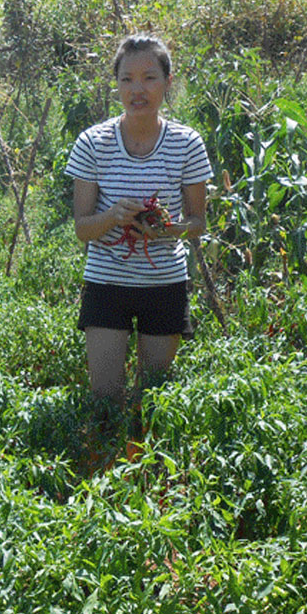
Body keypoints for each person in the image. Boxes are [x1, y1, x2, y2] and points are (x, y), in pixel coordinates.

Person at [66, 33, 212, 456]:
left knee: (153, 399)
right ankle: (103, 472)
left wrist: (164, 230)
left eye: (149, 77)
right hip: (107, 284)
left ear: (168, 82)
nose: (138, 89)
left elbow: (197, 222)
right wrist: (113, 217)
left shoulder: (187, 144)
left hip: (164, 285)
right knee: (106, 398)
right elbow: (82, 228)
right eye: (127, 79)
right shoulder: (93, 143)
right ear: (116, 85)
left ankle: (147, 480)